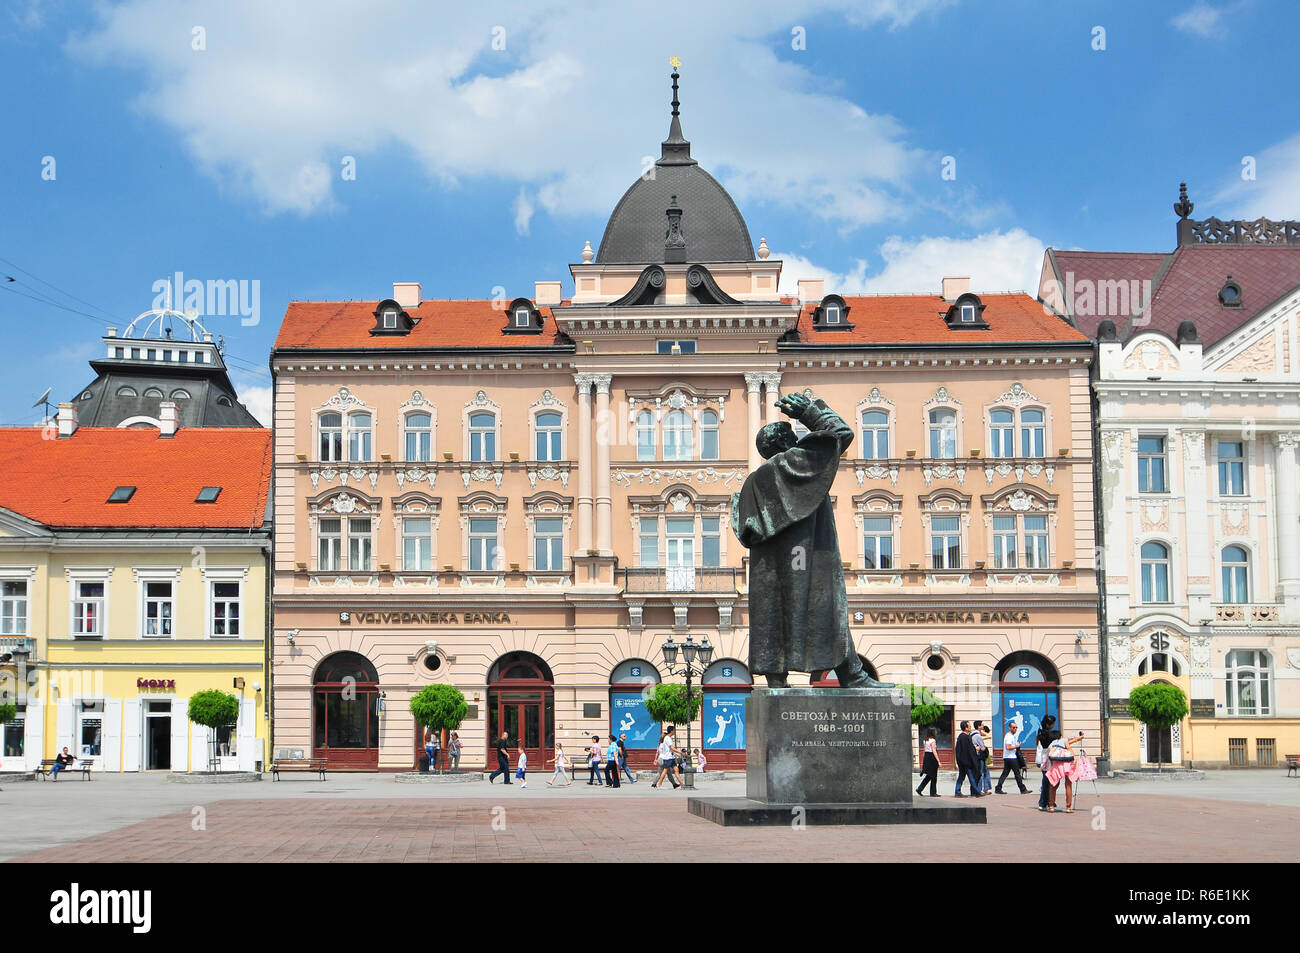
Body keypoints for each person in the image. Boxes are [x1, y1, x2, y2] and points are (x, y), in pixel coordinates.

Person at [733, 392, 889, 689]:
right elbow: (841, 434)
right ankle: (851, 674)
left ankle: (776, 680)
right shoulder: (799, 461)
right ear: (785, 442)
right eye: (793, 434)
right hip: (808, 557)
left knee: (772, 611)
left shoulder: (755, 479)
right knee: (829, 606)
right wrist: (810, 412)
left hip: (774, 566)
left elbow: (745, 527)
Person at [1045, 729, 1086, 813]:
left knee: (1053, 786)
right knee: (1068, 784)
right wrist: (1074, 759)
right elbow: (1069, 746)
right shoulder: (1064, 740)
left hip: (1056, 765)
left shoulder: (1052, 744)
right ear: (1060, 736)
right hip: (1067, 764)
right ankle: (1068, 807)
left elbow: (1049, 755)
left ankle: (1051, 806)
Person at [995, 720, 1030, 794]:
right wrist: (1016, 746)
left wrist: (1015, 746)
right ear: (1009, 728)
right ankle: (1022, 789)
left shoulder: (1010, 736)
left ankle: (998, 788)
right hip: (1011, 758)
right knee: (1017, 774)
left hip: (1008, 757)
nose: (1015, 729)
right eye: (1013, 727)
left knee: (1005, 773)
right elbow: (1008, 747)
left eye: (1016, 727)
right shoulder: (1009, 736)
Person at [953, 721, 984, 797]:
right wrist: (975, 749)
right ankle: (977, 791)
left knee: (961, 777)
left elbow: (960, 750)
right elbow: (969, 750)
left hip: (962, 761)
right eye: (969, 727)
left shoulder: (961, 736)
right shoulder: (966, 737)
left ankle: (957, 791)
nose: (970, 728)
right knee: (971, 777)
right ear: (966, 728)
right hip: (966, 762)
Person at [1036, 716, 1058, 811]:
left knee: (1047, 782)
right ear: (1048, 725)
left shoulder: (1042, 732)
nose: (1054, 725)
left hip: (1043, 760)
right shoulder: (1045, 734)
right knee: (1048, 783)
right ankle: (1044, 802)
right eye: (1053, 723)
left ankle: (1047, 801)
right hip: (1045, 761)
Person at [916, 727, 940, 797]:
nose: (936, 732)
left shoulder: (925, 740)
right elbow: (934, 751)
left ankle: (920, 789)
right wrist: (938, 761)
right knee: (934, 776)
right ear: (932, 733)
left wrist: (923, 759)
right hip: (932, 758)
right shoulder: (932, 740)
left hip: (927, 757)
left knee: (929, 776)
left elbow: (924, 750)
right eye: (935, 731)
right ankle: (933, 792)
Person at [973, 721, 992, 794]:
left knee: (985, 772)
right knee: (981, 772)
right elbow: (983, 747)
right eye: (982, 725)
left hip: (978, 756)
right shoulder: (977, 735)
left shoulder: (974, 734)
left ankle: (985, 788)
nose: (983, 727)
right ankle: (980, 789)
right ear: (979, 726)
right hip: (980, 756)